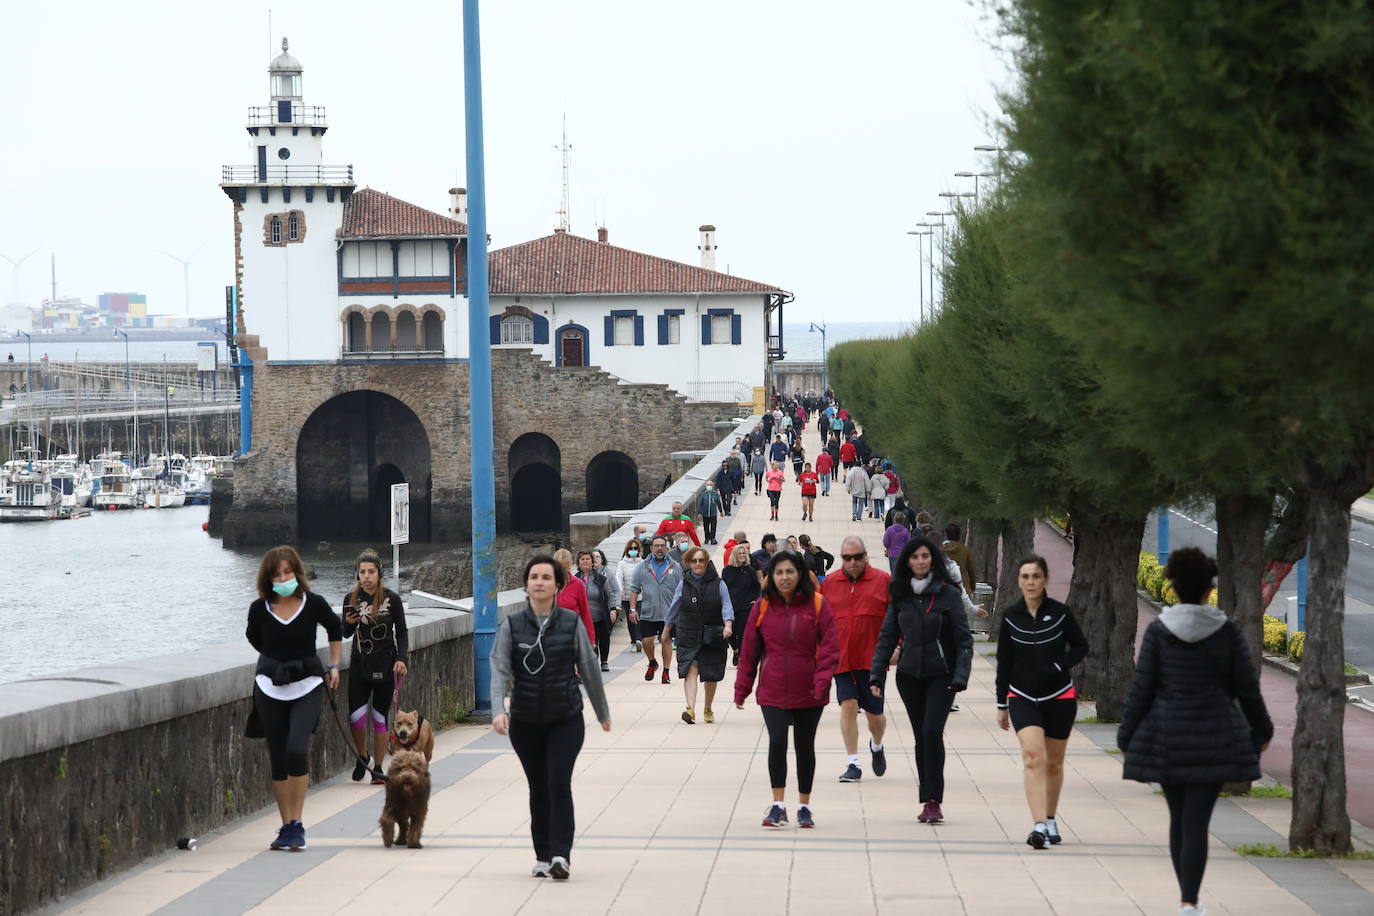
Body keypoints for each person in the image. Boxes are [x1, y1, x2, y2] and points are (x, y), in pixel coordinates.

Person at [1118, 548, 1272, 915]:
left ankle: (1186, 900)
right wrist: (1262, 730)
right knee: (1197, 821)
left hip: (1167, 736)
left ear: (1173, 587)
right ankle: (1190, 902)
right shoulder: (1226, 632)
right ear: (1209, 589)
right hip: (1214, 736)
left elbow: (1143, 688)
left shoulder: (1158, 631)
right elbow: (1246, 688)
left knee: (1178, 818)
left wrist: (1126, 735)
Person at [491, 555, 611, 880]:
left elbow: (588, 668)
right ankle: (542, 855)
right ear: (526, 584)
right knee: (538, 787)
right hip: (525, 720)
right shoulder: (513, 625)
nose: (540, 582)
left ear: (558, 584)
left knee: (559, 784)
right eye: (534, 577)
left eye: (546, 577)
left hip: (565, 717)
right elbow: (500, 667)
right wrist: (498, 711)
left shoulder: (571, 623)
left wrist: (602, 712)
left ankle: (561, 855)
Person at [869, 535, 973, 825]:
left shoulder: (948, 593)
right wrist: (876, 673)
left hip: (942, 676)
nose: (920, 561)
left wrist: (961, 674)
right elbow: (887, 636)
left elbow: (964, 639)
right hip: (910, 675)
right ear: (907, 561)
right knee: (920, 737)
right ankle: (926, 798)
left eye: (925, 556)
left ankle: (933, 800)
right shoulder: (900, 594)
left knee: (931, 732)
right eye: (915, 557)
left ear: (932, 560)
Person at [244, 545, 342, 851]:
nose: (283, 578)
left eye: (287, 572)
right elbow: (254, 637)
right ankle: (285, 824)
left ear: (297, 573)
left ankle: (298, 822)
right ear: (267, 579)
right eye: (277, 574)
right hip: (270, 684)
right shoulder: (259, 608)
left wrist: (335, 665)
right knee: (277, 755)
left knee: (297, 750)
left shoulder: (313, 604)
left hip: (308, 683)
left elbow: (335, 628)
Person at [735, 551, 840, 829]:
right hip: (772, 689)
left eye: (790, 572)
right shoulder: (762, 606)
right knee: (778, 741)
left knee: (805, 747)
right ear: (771, 577)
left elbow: (829, 648)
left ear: (800, 574)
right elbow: (749, 651)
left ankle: (804, 806)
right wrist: (742, 688)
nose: (784, 577)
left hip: (810, 691)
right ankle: (778, 805)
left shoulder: (818, 605)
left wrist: (822, 681)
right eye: (779, 572)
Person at [994, 555, 1088, 849]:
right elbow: (1004, 662)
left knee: (1054, 764)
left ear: (1045, 580)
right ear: (1019, 581)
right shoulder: (1011, 617)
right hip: (1021, 697)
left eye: (1036, 576)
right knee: (1034, 756)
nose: (1031, 582)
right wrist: (1001, 703)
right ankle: (1037, 827)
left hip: (1059, 697)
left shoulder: (1060, 613)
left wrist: (1060, 666)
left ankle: (1050, 819)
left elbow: (1080, 647)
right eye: (1025, 577)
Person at [821, 536, 892, 783]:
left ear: (866, 556)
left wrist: (898, 646)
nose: (852, 562)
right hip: (841, 660)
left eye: (857, 557)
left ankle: (877, 744)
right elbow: (820, 620)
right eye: (847, 558)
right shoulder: (830, 584)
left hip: (872, 661)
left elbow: (898, 618)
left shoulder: (883, 581)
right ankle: (853, 763)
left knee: (875, 717)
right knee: (848, 706)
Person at [341, 549, 408, 784]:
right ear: (357, 574)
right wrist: (349, 623)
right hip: (360, 664)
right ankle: (362, 757)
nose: (366, 576)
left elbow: (401, 630)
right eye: (362, 572)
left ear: (380, 573)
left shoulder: (392, 599)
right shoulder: (351, 599)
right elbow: (345, 633)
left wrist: (402, 659)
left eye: (371, 572)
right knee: (357, 717)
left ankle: (379, 768)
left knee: (380, 717)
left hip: (386, 663)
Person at [665, 546, 736, 724]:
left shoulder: (719, 583)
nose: (698, 564)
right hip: (688, 633)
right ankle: (690, 709)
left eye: (701, 560)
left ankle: (708, 708)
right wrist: (666, 632)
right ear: (689, 563)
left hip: (713, 635)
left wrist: (728, 625)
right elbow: (674, 607)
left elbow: (727, 606)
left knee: (711, 673)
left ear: (706, 562)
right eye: (694, 561)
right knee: (691, 668)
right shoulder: (684, 583)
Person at [628, 535, 683, 684]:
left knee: (666, 640)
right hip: (648, 612)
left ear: (666, 548)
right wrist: (632, 609)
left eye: (662, 545)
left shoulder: (675, 567)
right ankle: (652, 662)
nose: (659, 548)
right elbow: (634, 589)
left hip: (668, 614)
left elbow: (682, 590)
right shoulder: (642, 567)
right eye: (656, 546)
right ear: (651, 548)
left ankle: (666, 672)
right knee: (646, 641)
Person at [576, 550, 620, 672]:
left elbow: (610, 595)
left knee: (603, 639)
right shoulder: (575, 580)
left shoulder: (600, 579)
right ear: (578, 562)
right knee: (590, 641)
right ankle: (592, 664)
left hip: (600, 616)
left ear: (592, 562)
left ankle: (604, 661)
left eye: (587, 559)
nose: (585, 561)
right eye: (582, 559)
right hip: (583, 618)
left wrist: (613, 609)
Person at [723, 542, 761, 667]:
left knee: (743, 631)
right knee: (730, 632)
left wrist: (755, 600)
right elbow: (724, 588)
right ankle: (736, 650)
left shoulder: (749, 570)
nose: (742, 555)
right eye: (739, 553)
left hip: (746, 606)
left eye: (744, 553)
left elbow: (756, 587)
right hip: (731, 605)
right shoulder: (727, 570)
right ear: (734, 555)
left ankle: (741, 656)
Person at [552, 549, 596, 645]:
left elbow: (585, 612)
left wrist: (591, 638)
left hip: (572, 635)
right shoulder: (549, 584)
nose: (561, 571)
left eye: (564, 567)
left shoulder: (577, 584)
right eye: (559, 567)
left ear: (569, 566)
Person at [616, 537, 645, 652]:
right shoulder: (622, 564)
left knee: (639, 617)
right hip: (627, 596)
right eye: (631, 548)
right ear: (627, 550)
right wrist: (620, 588)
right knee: (630, 620)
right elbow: (618, 577)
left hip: (641, 596)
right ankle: (634, 640)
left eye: (635, 548)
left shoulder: (643, 563)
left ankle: (639, 639)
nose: (633, 550)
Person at [942, 524, 976, 595]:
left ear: (946, 535)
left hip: (944, 588)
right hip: (962, 588)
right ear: (959, 536)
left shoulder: (940, 550)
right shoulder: (965, 550)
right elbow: (971, 571)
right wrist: (972, 587)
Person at [697, 480, 724, 545]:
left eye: (710, 485)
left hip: (713, 513)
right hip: (705, 513)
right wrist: (700, 513)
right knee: (706, 526)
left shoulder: (715, 494)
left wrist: (721, 511)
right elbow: (700, 504)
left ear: (713, 485)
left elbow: (718, 503)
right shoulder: (703, 494)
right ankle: (707, 537)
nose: (709, 486)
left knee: (713, 526)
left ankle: (713, 538)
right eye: (708, 485)